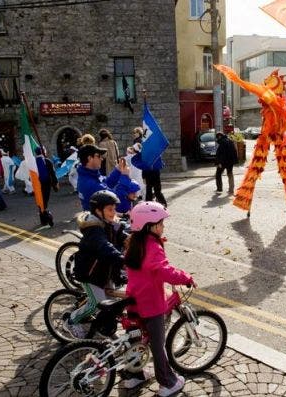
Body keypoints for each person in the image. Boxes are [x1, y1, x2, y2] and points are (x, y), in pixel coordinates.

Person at [124, 201, 193, 396]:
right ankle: (167, 383)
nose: (163, 226)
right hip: (151, 304)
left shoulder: (134, 242)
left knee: (136, 338)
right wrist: (185, 277)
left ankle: (133, 375)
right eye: (161, 223)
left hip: (134, 299)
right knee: (157, 344)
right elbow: (165, 271)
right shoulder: (152, 246)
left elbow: (146, 267)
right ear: (151, 226)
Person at [64, 190, 128, 339]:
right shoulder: (93, 229)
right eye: (110, 210)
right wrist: (122, 261)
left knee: (111, 303)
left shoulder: (111, 223)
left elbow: (123, 236)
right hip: (90, 274)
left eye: (114, 209)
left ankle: (106, 329)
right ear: (98, 211)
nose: (114, 213)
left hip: (106, 271)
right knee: (96, 304)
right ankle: (71, 321)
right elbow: (104, 246)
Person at [76, 144, 126, 211]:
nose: (101, 159)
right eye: (98, 156)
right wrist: (125, 176)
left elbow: (106, 183)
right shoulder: (90, 184)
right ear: (90, 158)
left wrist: (118, 170)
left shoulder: (90, 175)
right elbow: (117, 198)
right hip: (99, 220)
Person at [34, 147, 59, 226]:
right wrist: (55, 183)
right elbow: (53, 173)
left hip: (37, 184)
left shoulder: (33, 162)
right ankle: (48, 216)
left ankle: (43, 220)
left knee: (40, 201)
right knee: (44, 201)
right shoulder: (47, 161)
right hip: (46, 183)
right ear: (43, 151)